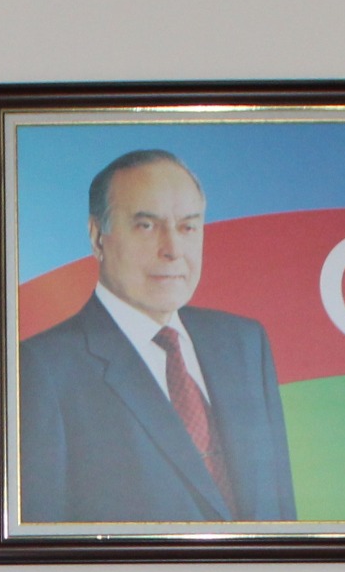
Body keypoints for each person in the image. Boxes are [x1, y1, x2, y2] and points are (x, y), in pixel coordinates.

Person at [19, 151, 298, 524]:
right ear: (97, 237)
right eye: (146, 226)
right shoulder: (43, 370)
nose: (173, 249)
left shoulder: (245, 344)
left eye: (188, 227)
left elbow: (281, 517)